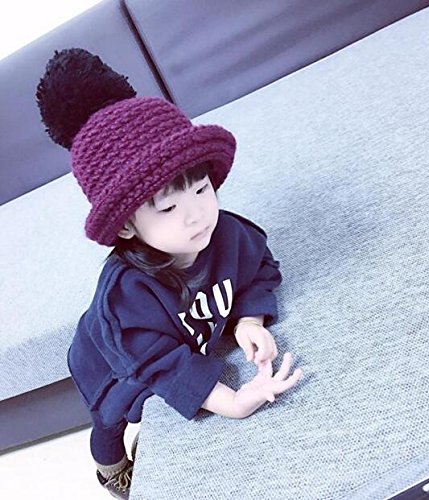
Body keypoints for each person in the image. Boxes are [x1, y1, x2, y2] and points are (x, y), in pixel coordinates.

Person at [36, 48, 302, 499]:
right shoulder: (127, 298)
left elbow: (259, 266)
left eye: (201, 189)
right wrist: (233, 402)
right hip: (112, 361)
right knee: (110, 421)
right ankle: (109, 469)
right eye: (168, 207)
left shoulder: (226, 233)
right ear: (126, 226)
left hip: (172, 336)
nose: (197, 215)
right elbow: (162, 365)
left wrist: (249, 321)